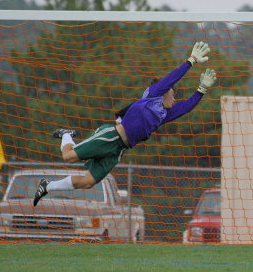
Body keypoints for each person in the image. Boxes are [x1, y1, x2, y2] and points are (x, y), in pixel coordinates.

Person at [33, 42, 217, 206]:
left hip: (119, 149)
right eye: (173, 94)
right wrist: (191, 60)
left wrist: (202, 89)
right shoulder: (153, 95)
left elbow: (186, 107)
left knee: (88, 182)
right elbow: (171, 78)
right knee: (69, 157)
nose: (175, 98)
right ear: (165, 91)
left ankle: (47, 186)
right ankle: (66, 134)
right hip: (110, 136)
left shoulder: (163, 115)